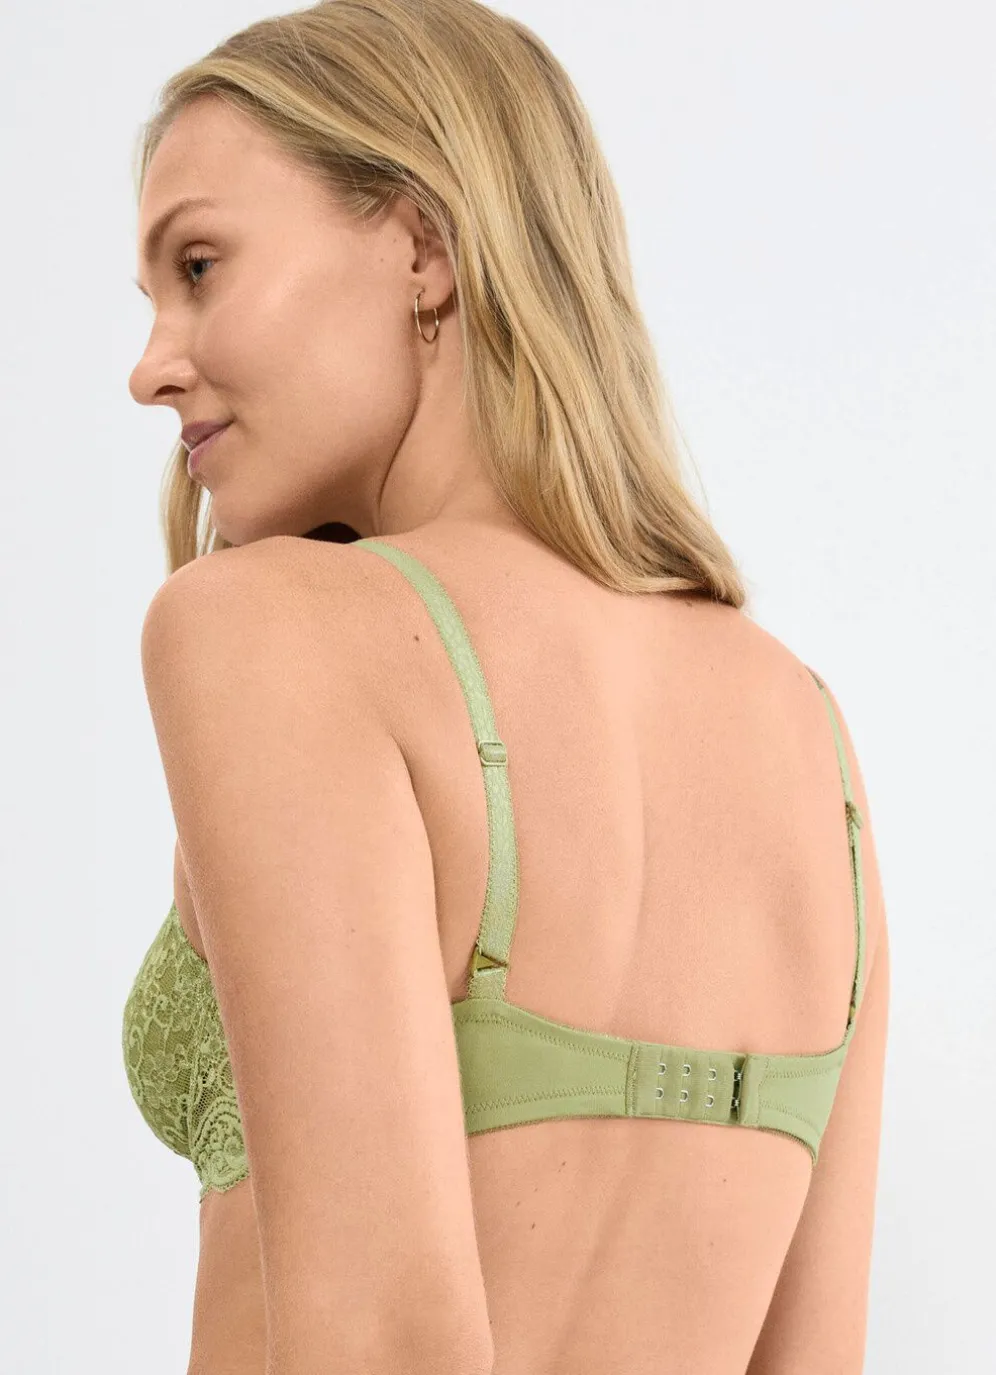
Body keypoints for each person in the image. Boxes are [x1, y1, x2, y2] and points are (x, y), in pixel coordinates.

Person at [122, 2, 889, 1372]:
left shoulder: (271, 630)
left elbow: (385, 1343)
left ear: (421, 248)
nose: (151, 366)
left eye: (199, 266)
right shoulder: (806, 731)